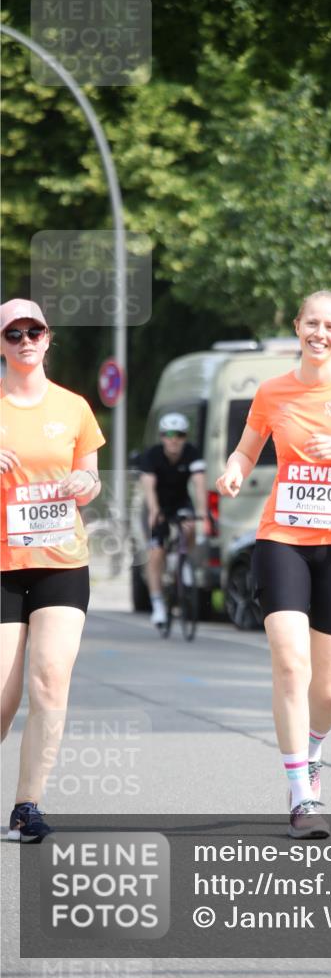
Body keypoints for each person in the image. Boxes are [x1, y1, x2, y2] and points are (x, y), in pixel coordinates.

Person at [216, 290, 331, 838]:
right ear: (297, 327)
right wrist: (233, 469)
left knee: (330, 690)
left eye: (330, 326)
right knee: (291, 664)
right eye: (311, 323)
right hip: (283, 540)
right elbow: (247, 450)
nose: (319, 333)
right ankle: (302, 796)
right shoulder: (272, 391)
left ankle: (314, 751)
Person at [0, 298, 105, 842]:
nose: (23, 341)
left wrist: (85, 485)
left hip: (62, 560)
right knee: (2, 691)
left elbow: (90, 478)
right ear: (1, 343)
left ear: (48, 338)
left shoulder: (74, 407)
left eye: (32, 331)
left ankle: (27, 805)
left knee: (49, 681)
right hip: (2, 564)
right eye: (12, 333)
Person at [139, 413, 207, 626]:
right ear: (162, 436)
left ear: (185, 437)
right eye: (169, 435)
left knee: (189, 526)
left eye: (179, 435)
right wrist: (154, 511)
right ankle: (158, 602)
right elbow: (148, 486)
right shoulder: (152, 455)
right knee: (156, 552)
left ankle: (182, 559)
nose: (174, 439)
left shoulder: (192, 453)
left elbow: (199, 484)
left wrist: (202, 513)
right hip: (157, 504)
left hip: (180, 503)